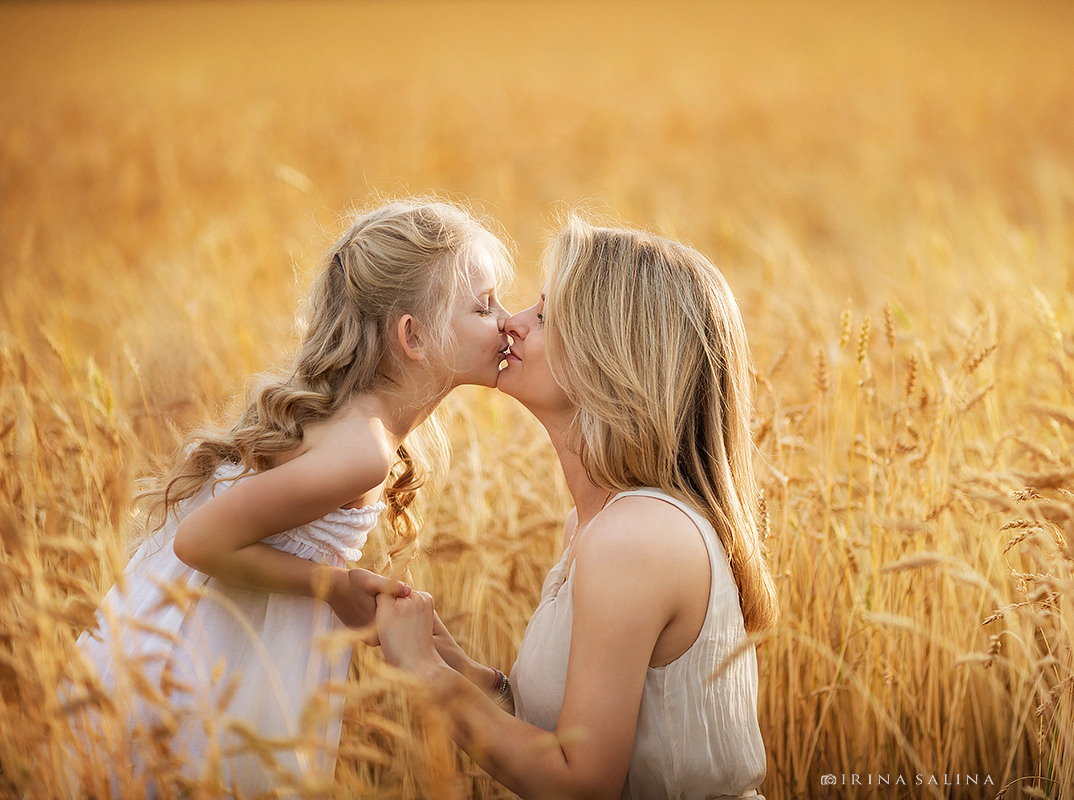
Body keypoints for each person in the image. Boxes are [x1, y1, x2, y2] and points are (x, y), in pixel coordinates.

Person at [64, 198, 512, 796]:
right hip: (199, 662)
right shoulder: (365, 450)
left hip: (213, 630)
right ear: (413, 335)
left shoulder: (362, 425)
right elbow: (200, 540)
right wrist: (336, 586)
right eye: (485, 307)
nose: (507, 320)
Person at [376, 216, 778, 799]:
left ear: (609, 356)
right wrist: (456, 665)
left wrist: (429, 677)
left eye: (542, 316)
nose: (508, 323)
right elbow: (558, 737)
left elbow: (581, 787)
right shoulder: (599, 525)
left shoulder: (636, 536)